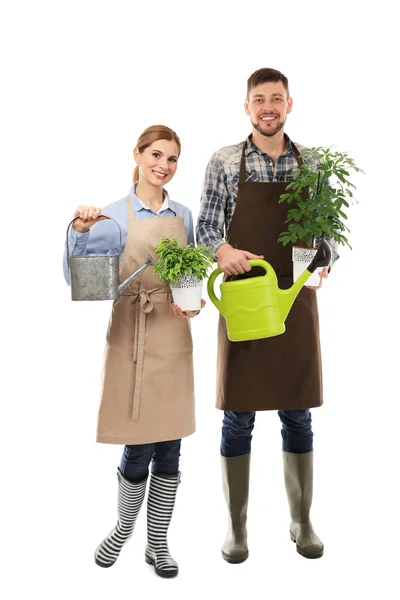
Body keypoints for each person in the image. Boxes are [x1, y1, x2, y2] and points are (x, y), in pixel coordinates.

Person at [196, 68, 338, 563]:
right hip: (244, 297)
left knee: (297, 412)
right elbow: (208, 230)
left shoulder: (312, 164)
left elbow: (327, 232)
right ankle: (236, 529)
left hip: (294, 300)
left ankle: (302, 522)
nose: (268, 107)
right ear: (247, 107)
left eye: (276, 98)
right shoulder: (223, 161)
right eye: (260, 100)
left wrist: (324, 261)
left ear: (290, 104)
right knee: (238, 415)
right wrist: (224, 251)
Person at [63, 125, 204, 578]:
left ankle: (158, 543)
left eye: (173, 159)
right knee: (138, 443)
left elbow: (191, 276)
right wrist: (80, 230)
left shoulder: (184, 214)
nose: (164, 166)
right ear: (138, 154)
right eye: (157, 155)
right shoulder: (110, 215)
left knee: (171, 445)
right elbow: (82, 283)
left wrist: (194, 299)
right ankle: (123, 529)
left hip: (173, 336)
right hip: (131, 336)